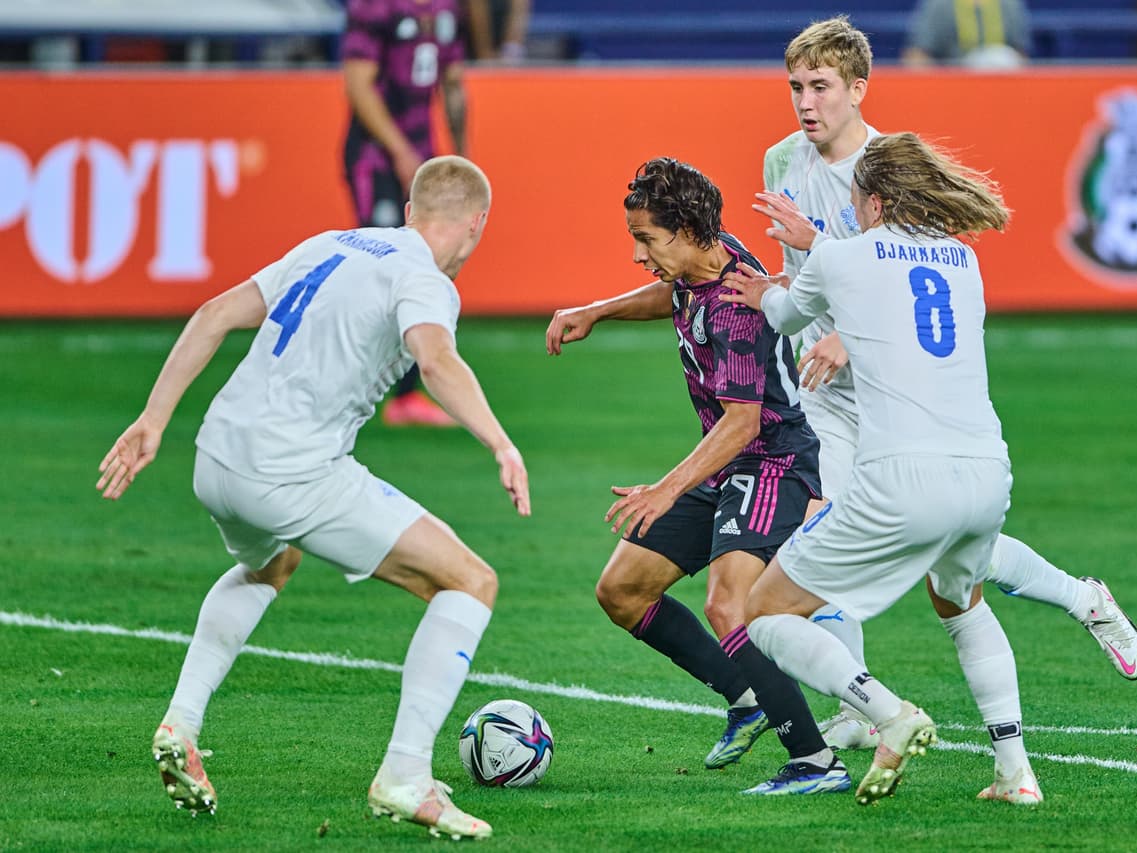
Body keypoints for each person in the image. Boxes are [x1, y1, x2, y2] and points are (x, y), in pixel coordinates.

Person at [96, 156, 529, 840]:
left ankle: (182, 719)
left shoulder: (329, 242)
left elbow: (213, 314)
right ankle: (406, 775)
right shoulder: (424, 277)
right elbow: (436, 359)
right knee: (470, 581)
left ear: (411, 209)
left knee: (271, 562)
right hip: (290, 472)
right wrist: (502, 444)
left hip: (215, 457)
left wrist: (152, 420)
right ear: (478, 224)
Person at [755, 16, 1137, 769]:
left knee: (939, 565)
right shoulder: (782, 160)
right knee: (823, 530)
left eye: (821, 86)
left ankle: (1078, 596)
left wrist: (849, 330)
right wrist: (804, 310)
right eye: (796, 86)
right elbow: (805, 273)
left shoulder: (889, 168)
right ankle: (859, 707)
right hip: (827, 399)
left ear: (858, 88)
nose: (805, 102)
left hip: (895, 393)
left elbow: (912, 277)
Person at [725, 131, 1038, 805]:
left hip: (901, 478)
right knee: (961, 602)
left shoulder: (842, 255)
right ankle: (1016, 771)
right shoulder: (962, 258)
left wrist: (765, 291)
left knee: (767, 610)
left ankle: (885, 711)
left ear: (869, 200)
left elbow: (782, 317)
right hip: (988, 471)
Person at [545, 158, 849, 796]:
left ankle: (816, 762)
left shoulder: (739, 300)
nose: (638, 254)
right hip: (727, 458)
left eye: (647, 239)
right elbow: (675, 292)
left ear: (685, 230)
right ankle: (746, 695)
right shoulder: (702, 260)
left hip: (771, 460)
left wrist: (667, 487)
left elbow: (742, 422)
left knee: (728, 603)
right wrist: (597, 311)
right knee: (623, 590)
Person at [342, 0, 470, 426]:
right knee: (377, 267)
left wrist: (461, 155)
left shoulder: (447, 10)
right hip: (375, 157)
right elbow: (358, 84)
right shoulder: (375, 7)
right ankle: (350, 383)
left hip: (422, 155)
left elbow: (452, 82)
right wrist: (399, 151)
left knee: (426, 267)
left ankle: (407, 395)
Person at [902, 0, 1032, 69]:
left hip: (1001, 89)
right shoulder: (939, 4)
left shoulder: (1010, 4)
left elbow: (1021, 55)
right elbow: (916, 55)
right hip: (952, 88)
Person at [466, 0, 531, 62]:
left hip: (505, 51)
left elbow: (518, 11)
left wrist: (510, 52)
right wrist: (485, 54)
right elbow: (477, 11)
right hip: (473, 50)